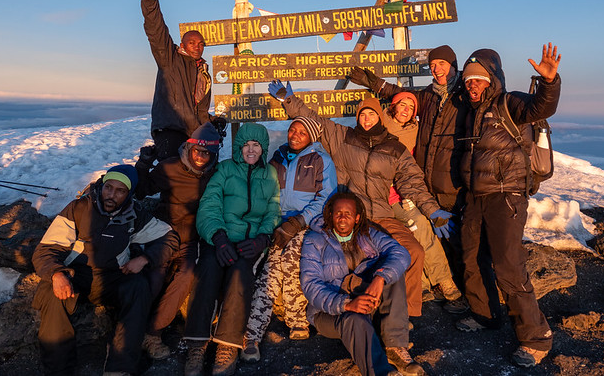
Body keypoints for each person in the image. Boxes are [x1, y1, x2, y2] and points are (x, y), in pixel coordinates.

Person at [269, 81, 452, 320]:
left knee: (413, 250)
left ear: (380, 118)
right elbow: (316, 122)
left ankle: (402, 315)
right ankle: (356, 307)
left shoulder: (395, 148)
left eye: (372, 114)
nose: (366, 119)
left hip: (382, 214)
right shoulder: (343, 137)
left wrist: (433, 210)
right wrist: (289, 100)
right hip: (350, 215)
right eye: (363, 114)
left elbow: (412, 182)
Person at [455, 43, 561, 368]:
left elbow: (539, 108)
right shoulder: (470, 113)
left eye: (479, 79)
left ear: (492, 79)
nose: (473, 84)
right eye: (468, 80)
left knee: (508, 266)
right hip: (476, 197)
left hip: (506, 197)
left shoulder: (508, 102)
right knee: (470, 258)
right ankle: (486, 316)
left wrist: (549, 82)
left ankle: (536, 338)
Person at [349, 45, 469, 309]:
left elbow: (407, 171)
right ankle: (425, 285)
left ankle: (444, 281)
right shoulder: (379, 128)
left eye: (409, 106)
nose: (404, 108)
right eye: (399, 105)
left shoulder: (416, 129)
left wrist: (411, 197)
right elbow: (399, 94)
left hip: (406, 195)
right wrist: (374, 83)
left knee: (422, 228)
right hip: (379, 199)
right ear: (391, 109)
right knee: (410, 235)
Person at [32, 165, 178, 376]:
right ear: (101, 186)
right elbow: (46, 248)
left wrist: (145, 258)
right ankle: (59, 369)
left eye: (120, 191)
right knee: (50, 293)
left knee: (139, 286)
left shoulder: (135, 214)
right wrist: (56, 273)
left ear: (129, 194)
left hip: (113, 277)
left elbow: (169, 237)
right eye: (108, 187)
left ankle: (119, 367)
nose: (112, 195)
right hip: (76, 276)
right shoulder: (78, 209)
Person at [183, 123, 281, 376]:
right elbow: (210, 204)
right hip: (220, 238)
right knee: (207, 272)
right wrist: (218, 237)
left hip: (250, 243)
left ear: (263, 148)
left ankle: (227, 346)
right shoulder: (224, 170)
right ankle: (196, 343)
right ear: (238, 147)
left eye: (256, 145)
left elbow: (273, 209)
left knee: (240, 276)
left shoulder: (269, 174)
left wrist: (263, 238)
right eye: (245, 145)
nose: (250, 150)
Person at [241, 116, 337, 362]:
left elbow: (326, 198)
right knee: (271, 270)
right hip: (277, 222)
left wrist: (298, 222)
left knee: (292, 258)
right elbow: (268, 192)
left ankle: (296, 319)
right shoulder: (278, 157)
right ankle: (252, 335)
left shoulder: (321, 160)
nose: (294, 135)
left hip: (306, 223)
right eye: (292, 130)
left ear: (312, 137)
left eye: (302, 132)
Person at [300, 192, 424, 376]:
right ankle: (382, 372)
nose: (342, 218)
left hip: (366, 300)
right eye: (338, 213)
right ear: (330, 215)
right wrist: (347, 304)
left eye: (348, 214)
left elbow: (401, 253)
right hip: (330, 312)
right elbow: (311, 286)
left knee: (391, 273)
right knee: (354, 319)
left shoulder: (368, 235)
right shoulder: (314, 240)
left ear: (357, 218)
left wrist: (380, 278)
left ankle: (394, 347)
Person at [135, 122, 222, 361]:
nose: (201, 157)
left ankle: (152, 334)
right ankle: (130, 331)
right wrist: (144, 164)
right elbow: (141, 191)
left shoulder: (215, 174)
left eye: (207, 153)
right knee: (154, 275)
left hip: (191, 239)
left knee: (186, 276)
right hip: (163, 233)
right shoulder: (169, 167)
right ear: (190, 147)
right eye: (198, 150)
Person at [139, 0, 225, 162]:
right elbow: (156, 31)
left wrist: (211, 122)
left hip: (192, 132)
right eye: (192, 42)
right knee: (172, 176)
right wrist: (150, 1)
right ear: (183, 44)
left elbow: (198, 111)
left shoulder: (203, 73)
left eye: (201, 44)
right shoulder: (170, 58)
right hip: (170, 130)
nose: (197, 46)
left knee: (196, 176)